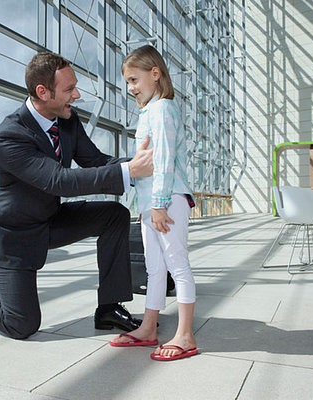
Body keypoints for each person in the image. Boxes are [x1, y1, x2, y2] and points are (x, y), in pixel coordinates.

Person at [0, 52, 154, 339]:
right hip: (14, 236)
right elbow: (58, 181)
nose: (76, 95)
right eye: (69, 89)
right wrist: (130, 170)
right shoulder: (10, 135)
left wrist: (139, 165)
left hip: (50, 220)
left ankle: (108, 308)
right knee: (21, 324)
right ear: (43, 92)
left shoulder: (66, 119)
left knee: (114, 215)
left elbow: (94, 160)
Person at [109, 45, 198, 361]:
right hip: (154, 203)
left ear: (155, 74)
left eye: (135, 79)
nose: (131, 88)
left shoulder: (162, 110)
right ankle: (149, 328)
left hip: (167, 200)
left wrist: (158, 204)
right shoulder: (152, 111)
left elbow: (163, 160)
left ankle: (185, 335)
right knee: (155, 267)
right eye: (128, 82)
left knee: (177, 263)